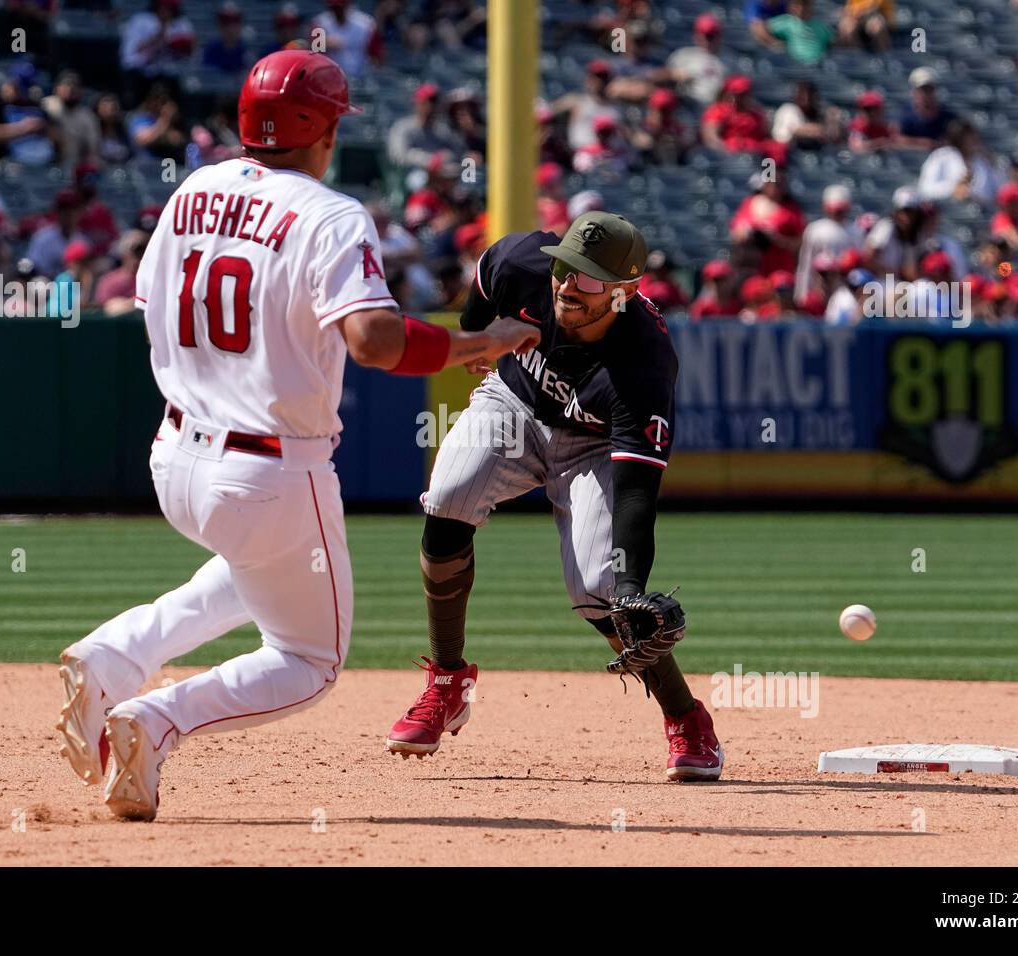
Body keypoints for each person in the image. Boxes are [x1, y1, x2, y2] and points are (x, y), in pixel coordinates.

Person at [54, 51, 538, 822]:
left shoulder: (192, 190)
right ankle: (154, 719)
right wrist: (478, 345)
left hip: (175, 455)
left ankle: (111, 655)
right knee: (309, 660)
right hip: (269, 467)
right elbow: (376, 341)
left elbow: (150, 299)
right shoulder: (329, 213)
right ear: (322, 129)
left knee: (255, 570)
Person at [383, 210, 723, 784]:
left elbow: (638, 493)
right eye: (565, 268)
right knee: (448, 496)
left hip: (593, 445)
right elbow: (487, 277)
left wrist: (633, 587)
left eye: (589, 279)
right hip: (513, 404)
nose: (568, 284)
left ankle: (687, 719)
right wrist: (473, 337)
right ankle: (448, 681)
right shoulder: (522, 263)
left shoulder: (643, 362)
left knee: (602, 589)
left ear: (625, 292)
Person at [386, 83, 459, 172]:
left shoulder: (443, 130)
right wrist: (428, 160)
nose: (431, 107)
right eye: (428, 102)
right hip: (409, 177)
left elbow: (456, 152)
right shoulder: (402, 128)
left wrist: (445, 156)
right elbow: (398, 156)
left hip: (440, 176)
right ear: (417, 104)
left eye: (435, 102)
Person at [664, 13, 727, 107]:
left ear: (718, 36)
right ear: (696, 35)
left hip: (716, 108)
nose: (706, 40)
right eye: (702, 34)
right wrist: (674, 75)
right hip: (686, 105)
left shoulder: (729, 60)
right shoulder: (683, 55)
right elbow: (663, 79)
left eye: (710, 36)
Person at [310, 0, 380, 77]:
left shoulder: (366, 24)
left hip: (361, 77)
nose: (337, 11)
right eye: (334, 7)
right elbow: (314, 54)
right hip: (331, 78)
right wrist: (323, 44)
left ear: (348, 4)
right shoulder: (320, 23)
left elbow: (377, 55)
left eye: (340, 7)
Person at [763, 0, 836, 65]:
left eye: (805, 5)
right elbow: (762, 27)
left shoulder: (820, 25)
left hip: (818, 65)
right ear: (792, 8)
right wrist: (773, 42)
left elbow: (833, 42)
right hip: (793, 64)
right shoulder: (787, 22)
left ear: (811, 7)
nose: (801, 9)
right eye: (797, 5)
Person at [896, 68, 956, 149]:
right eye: (923, 90)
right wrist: (922, 143)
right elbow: (899, 141)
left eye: (930, 89)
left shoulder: (947, 117)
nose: (927, 94)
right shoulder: (906, 116)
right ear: (915, 92)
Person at [202, 2, 248, 73]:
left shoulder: (247, 51)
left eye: (236, 20)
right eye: (225, 21)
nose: (231, 27)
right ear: (219, 24)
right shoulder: (211, 50)